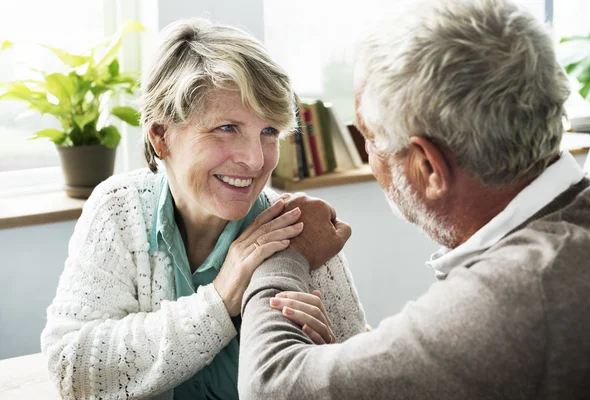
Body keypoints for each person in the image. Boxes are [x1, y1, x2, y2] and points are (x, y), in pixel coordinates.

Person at [238, 0, 590, 399]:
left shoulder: (515, 297)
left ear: (428, 166)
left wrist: (283, 252)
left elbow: (271, 385)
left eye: (370, 139)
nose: (369, 156)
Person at [40, 18, 366, 400]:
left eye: (268, 132)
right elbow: (72, 367)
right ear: (161, 136)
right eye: (227, 128)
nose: (256, 160)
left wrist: (325, 362)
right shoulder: (118, 208)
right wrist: (219, 301)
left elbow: (361, 377)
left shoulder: (296, 228)